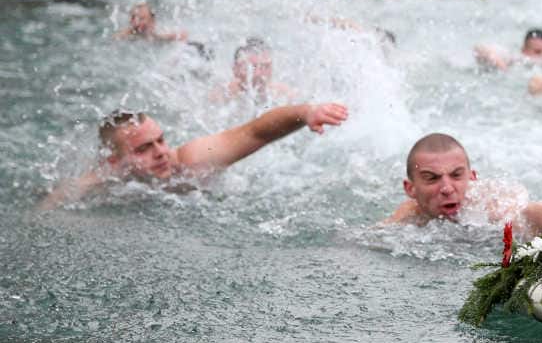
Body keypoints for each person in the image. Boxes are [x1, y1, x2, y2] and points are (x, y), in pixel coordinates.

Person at [39, 102, 348, 209]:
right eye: (144, 149)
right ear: (112, 161)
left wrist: (306, 112)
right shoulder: (99, 183)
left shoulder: (190, 160)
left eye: (161, 140)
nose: (161, 153)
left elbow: (256, 132)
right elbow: (50, 209)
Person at [384, 133, 542, 236]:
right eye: (432, 178)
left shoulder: (489, 206)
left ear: (472, 178)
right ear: (410, 189)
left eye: (456, 175)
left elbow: (530, 212)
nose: (447, 188)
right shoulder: (406, 218)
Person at [209, 37, 302, 106]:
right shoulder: (222, 97)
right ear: (235, 70)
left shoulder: (285, 96)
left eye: (265, 67)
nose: (258, 74)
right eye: (250, 68)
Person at [474, 28, 542, 70]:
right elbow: (479, 48)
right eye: (537, 52)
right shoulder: (515, 58)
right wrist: (502, 66)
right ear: (523, 50)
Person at [115, 2, 187, 42]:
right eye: (134, 18)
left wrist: (159, 38)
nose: (137, 22)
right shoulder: (126, 35)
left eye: (141, 19)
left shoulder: (160, 33)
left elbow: (183, 35)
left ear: (152, 21)